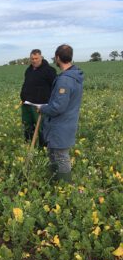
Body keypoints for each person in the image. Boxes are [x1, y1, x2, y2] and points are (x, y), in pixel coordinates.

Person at [38, 44, 84, 183]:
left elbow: (58, 107)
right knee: (54, 153)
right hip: (66, 123)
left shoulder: (65, 79)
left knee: (61, 156)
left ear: (58, 58)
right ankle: (55, 181)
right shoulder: (75, 75)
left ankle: (65, 188)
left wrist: (43, 108)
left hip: (61, 125)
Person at [20, 49, 57, 147]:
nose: (34, 60)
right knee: (27, 126)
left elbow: (55, 88)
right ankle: (28, 145)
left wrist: (50, 103)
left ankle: (43, 149)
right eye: (32, 58)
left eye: (36, 58)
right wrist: (23, 98)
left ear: (41, 57)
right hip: (27, 104)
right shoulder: (29, 70)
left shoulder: (49, 71)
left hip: (40, 105)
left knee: (41, 129)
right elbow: (26, 84)